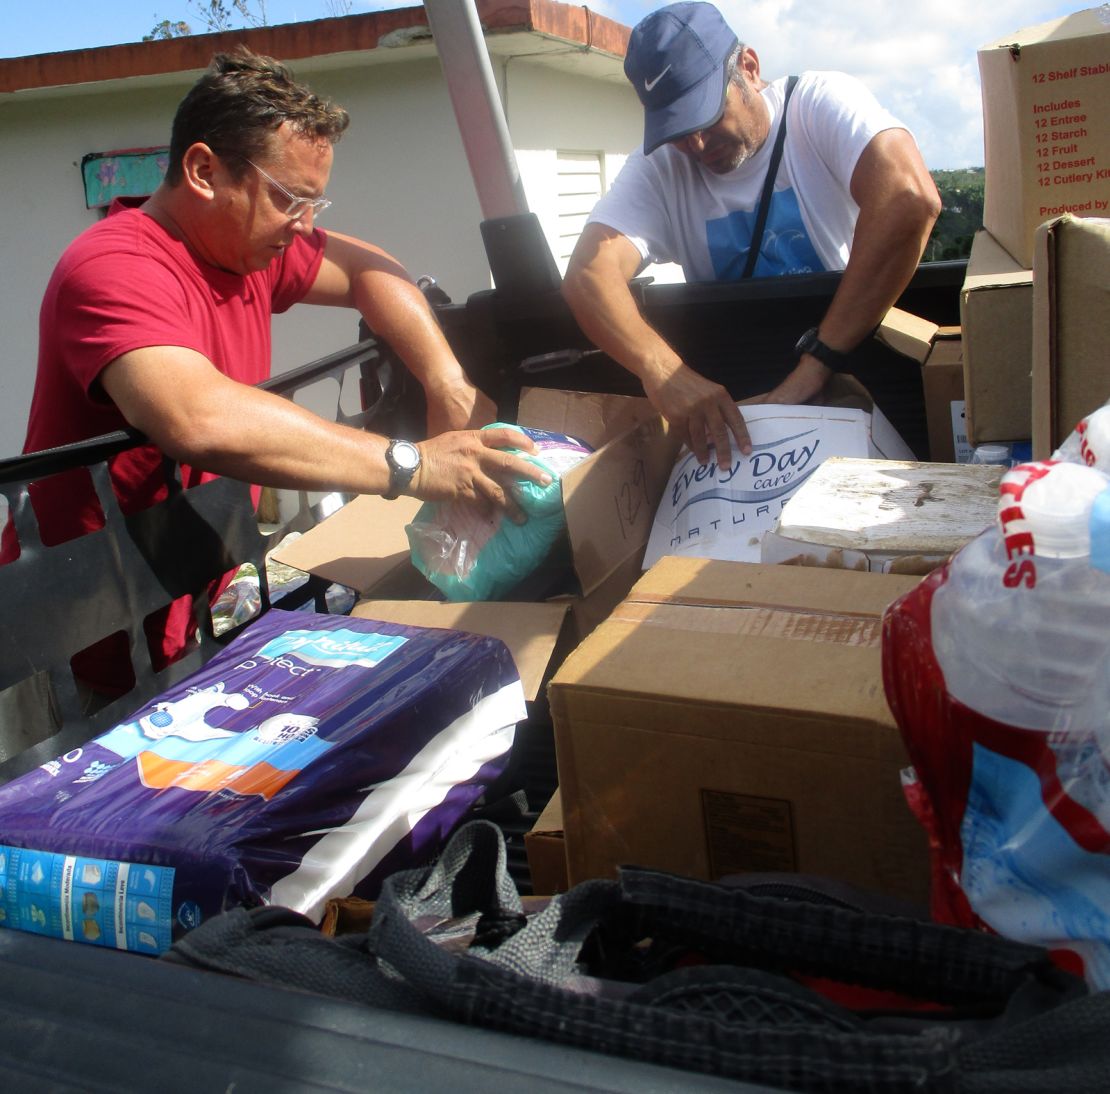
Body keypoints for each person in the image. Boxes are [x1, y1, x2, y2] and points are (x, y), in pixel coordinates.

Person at [9, 47, 551, 696]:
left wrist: (447, 383)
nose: (304, 226)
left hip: (187, 609)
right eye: (289, 199)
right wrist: (415, 464)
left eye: (315, 205)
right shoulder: (113, 266)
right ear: (205, 170)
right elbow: (196, 417)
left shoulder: (251, 251)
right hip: (79, 649)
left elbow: (372, 272)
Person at [562, 1, 941, 469]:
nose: (696, 146)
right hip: (743, 422)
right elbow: (587, 273)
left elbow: (909, 198)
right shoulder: (662, 167)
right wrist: (663, 371)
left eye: (703, 116)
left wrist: (814, 366)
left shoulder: (816, 105)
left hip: (854, 388)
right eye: (677, 129)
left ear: (750, 68)